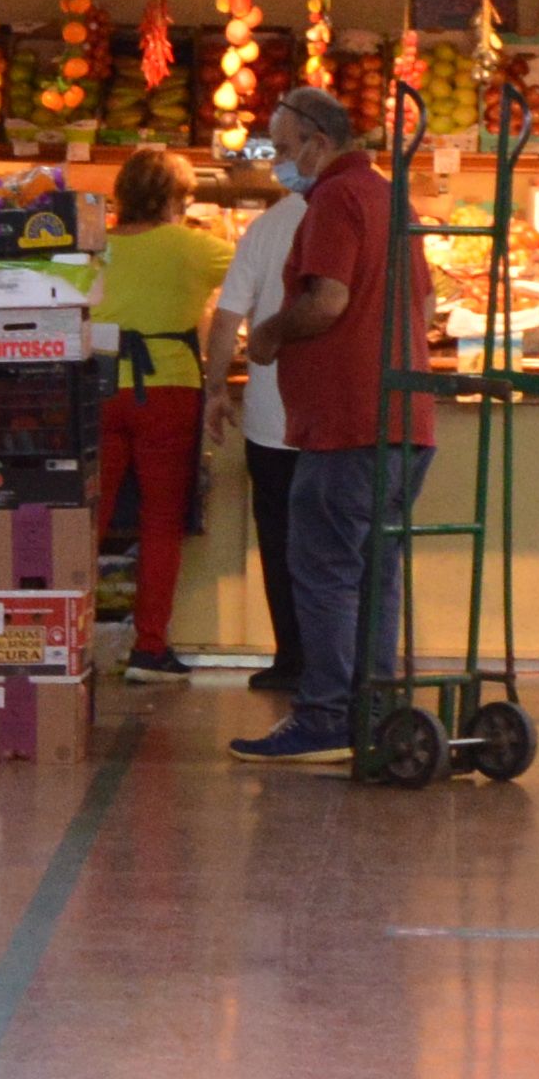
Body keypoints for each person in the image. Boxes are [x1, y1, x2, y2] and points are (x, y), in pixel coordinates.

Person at [229, 84, 430, 765]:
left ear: (318, 141)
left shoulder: (335, 199)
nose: (280, 163)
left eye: (285, 150)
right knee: (375, 573)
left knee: (324, 573)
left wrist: (270, 335)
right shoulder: (387, 196)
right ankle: (372, 710)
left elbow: (329, 299)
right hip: (403, 420)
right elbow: (422, 303)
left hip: (347, 422)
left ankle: (323, 716)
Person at [83, 149, 227, 676]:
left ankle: (64, 637)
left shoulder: (92, 248)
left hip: (95, 384)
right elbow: (257, 283)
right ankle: (148, 648)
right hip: (168, 389)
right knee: (161, 522)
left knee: (87, 518)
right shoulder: (197, 247)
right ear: (174, 199)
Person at [200, 145, 317, 701]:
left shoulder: (266, 227)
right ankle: (345, 662)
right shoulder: (365, 216)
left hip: (272, 419)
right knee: (342, 545)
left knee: (280, 542)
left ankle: (292, 657)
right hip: (342, 421)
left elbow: (226, 319)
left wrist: (216, 389)